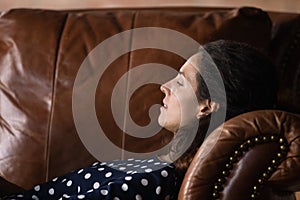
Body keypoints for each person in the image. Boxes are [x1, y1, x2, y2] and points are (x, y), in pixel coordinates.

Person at [1, 40, 277, 200]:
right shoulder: (158, 169)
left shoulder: (156, 180)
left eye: (181, 81)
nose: (164, 86)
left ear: (206, 107)